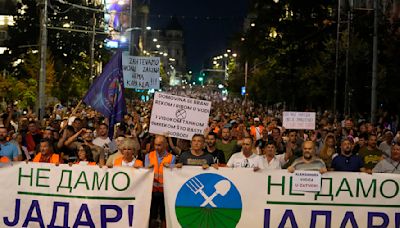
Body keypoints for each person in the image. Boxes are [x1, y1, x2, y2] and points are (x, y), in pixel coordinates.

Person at [145, 135, 176, 228]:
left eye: (159, 145)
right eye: (155, 145)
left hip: (165, 192)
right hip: (151, 191)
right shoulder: (148, 156)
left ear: (165, 145)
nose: (157, 147)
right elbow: (145, 172)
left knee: (164, 216)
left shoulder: (172, 157)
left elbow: (173, 174)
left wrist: (171, 167)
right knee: (151, 215)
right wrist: (147, 168)